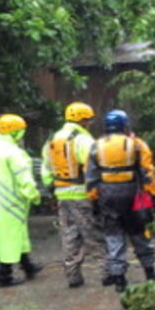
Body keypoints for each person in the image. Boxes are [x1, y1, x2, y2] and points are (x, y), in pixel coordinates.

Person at [85, 109, 155, 292]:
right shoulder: (136, 144)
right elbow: (147, 172)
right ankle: (150, 272)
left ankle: (119, 279)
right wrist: (154, 196)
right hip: (132, 194)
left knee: (113, 236)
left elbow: (91, 176)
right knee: (139, 233)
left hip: (107, 196)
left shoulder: (96, 146)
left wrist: (93, 200)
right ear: (124, 125)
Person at [41, 101, 106, 288]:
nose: (90, 124)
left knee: (70, 236)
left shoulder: (52, 140)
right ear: (83, 121)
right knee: (94, 234)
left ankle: (73, 276)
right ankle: (108, 272)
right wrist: (98, 193)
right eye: (89, 121)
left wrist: (52, 190)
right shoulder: (83, 140)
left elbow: (46, 169)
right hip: (82, 194)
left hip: (62, 194)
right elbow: (93, 168)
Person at [0, 114, 43, 288]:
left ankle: (27, 265)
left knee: (17, 233)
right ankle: (4, 276)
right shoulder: (14, 153)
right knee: (10, 236)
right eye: (21, 131)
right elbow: (24, 178)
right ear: (14, 132)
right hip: (14, 201)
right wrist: (35, 196)